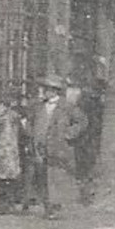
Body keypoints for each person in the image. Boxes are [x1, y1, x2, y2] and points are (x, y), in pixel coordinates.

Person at [28, 74, 84, 220]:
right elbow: (30, 122)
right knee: (42, 176)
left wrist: (68, 134)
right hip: (40, 146)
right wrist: (32, 135)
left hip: (58, 147)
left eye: (47, 89)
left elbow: (82, 121)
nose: (45, 92)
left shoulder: (67, 106)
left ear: (55, 91)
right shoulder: (38, 106)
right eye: (44, 89)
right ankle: (47, 205)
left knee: (56, 177)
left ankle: (55, 207)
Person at [73, 77, 106, 205]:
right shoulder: (93, 103)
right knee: (88, 167)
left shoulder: (84, 101)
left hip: (85, 138)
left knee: (84, 168)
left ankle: (85, 193)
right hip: (89, 137)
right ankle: (86, 194)